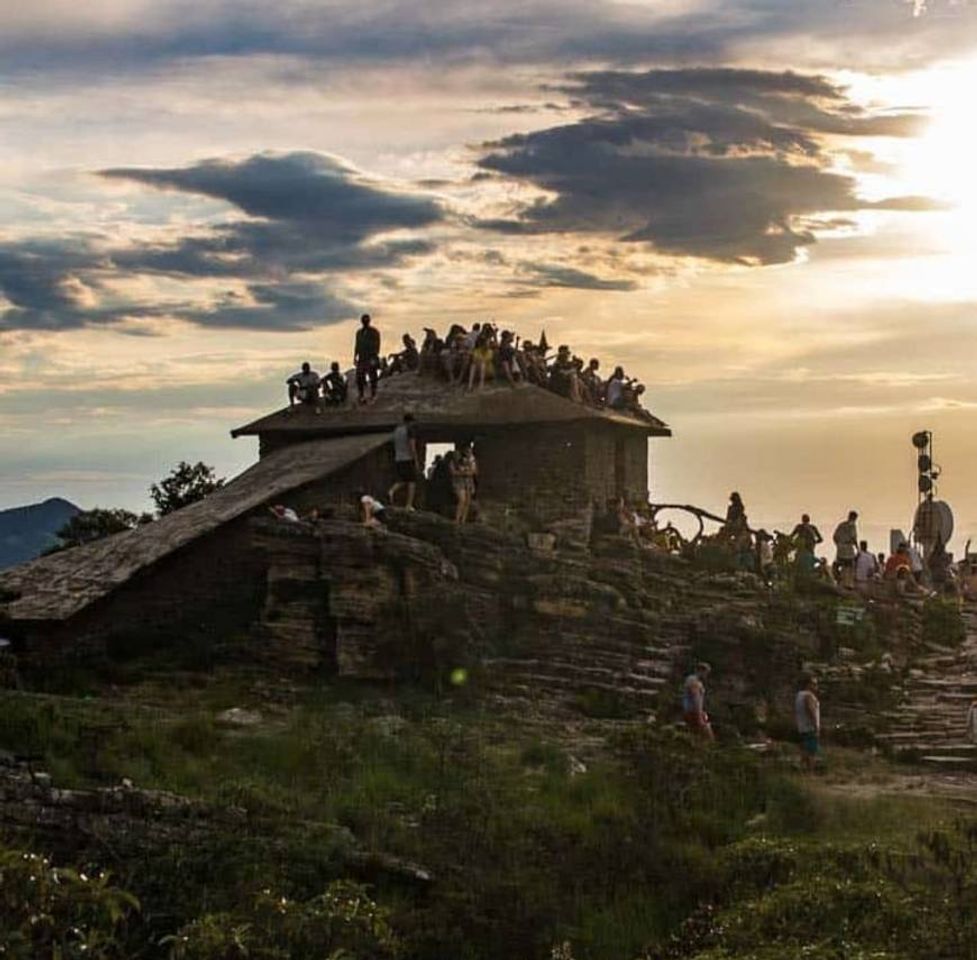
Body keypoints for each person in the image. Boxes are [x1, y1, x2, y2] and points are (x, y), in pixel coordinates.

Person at [388, 413, 420, 510]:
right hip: (408, 458)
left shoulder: (397, 430)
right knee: (412, 481)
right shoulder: (409, 430)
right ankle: (409, 505)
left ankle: (391, 491)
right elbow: (412, 446)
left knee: (403, 479)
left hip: (398, 458)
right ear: (410, 422)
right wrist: (416, 460)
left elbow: (393, 443)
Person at [353, 313, 381, 404]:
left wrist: (374, 356)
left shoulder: (374, 332)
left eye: (366, 320)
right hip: (362, 357)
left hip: (371, 356)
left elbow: (377, 345)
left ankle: (374, 393)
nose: (365, 322)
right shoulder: (359, 333)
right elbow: (357, 345)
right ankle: (361, 395)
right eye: (363, 320)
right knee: (359, 377)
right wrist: (355, 356)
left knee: (372, 376)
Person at [795, 674, 821, 772]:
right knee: (811, 751)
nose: (816, 686)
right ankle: (810, 771)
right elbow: (811, 710)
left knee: (805, 748)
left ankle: (801, 768)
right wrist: (816, 726)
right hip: (809, 727)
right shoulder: (808, 696)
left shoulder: (799, 695)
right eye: (814, 684)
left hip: (802, 726)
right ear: (808, 684)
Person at [682, 663, 714, 740]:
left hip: (692, 711)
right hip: (693, 712)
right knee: (707, 734)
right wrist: (699, 715)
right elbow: (696, 699)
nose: (706, 676)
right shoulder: (694, 682)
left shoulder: (693, 680)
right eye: (706, 673)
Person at [832, 510, 859, 588]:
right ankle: (848, 584)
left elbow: (835, 537)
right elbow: (854, 538)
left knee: (837, 564)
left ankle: (838, 580)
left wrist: (838, 545)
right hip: (848, 549)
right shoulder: (852, 526)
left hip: (840, 548)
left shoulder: (841, 525)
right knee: (850, 566)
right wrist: (857, 548)